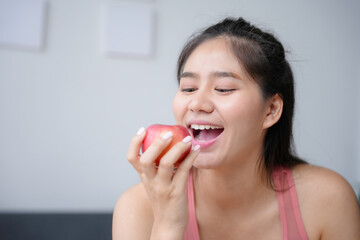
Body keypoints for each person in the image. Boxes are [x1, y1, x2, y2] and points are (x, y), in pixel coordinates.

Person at [112, 17, 360, 240]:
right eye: (188, 88)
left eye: (223, 89)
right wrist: (167, 225)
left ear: (271, 110)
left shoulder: (328, 199)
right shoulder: (137, 207)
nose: (197, 103)